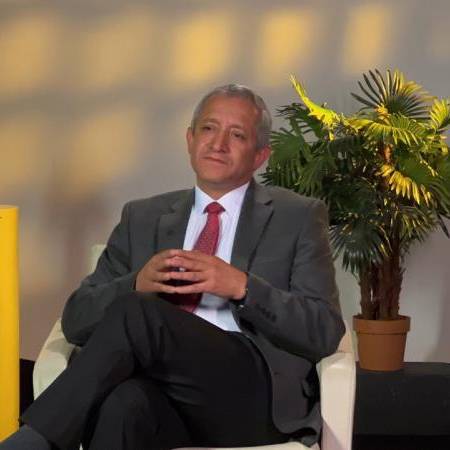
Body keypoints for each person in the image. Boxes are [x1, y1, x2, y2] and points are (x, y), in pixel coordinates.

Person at [1, 84, 345, 450]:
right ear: (190, 139)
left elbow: (324, 330)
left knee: (139, 312)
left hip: (247, 398)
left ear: (260, 155)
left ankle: (31, 443)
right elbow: (76, 319)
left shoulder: (297, 217)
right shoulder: (142, 217)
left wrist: (242, 287)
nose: (218, 144)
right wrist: (135, 283)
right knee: (121, 405)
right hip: (162, 396)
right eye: (208, 128)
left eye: (237, 135)